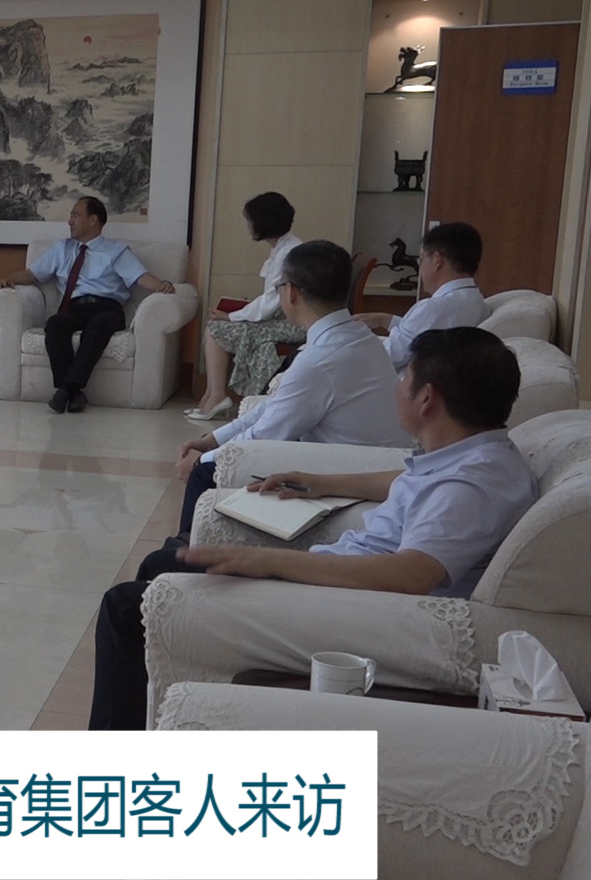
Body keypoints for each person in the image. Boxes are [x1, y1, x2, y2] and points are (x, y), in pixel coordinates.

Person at [90, 327, 536, 731]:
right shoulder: (474, 455)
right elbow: (408, 482)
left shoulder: (470, 486)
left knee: (126, 609)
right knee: (159, 565)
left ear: (427, 399)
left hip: (354, 606)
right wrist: (319, 482)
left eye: (404, 378)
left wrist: (269, 562)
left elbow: (412, 575)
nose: (397, 387)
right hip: (342, 575)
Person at [170, 240, 411, 543]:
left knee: (207, 472)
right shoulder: (356, 335)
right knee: (214, 458)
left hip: (357, 470)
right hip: (376, 461)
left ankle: (184, 551)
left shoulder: (321, 358)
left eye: (280, 286)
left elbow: (267, 434)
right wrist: (212, 440)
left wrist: (202, 460)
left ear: (292, 292)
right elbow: (276, 406)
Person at [0, 196, 177, 413]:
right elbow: (31, 274)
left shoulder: (115, 250)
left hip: (107, 308)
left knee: (99, 326)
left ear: (93, 220)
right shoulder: (62, 249)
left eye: (75, 215)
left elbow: (140, 276)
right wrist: (9, 280)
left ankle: (66, 389)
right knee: (55, 324)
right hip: (75, 308)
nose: (70, 221)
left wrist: (161, 285)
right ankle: (73, 392)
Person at [187, 192, 306, 420]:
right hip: (284, 318)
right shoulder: (283, 247)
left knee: (216, 328)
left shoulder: (288, 253)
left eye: (250, 220)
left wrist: (231, 316)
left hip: (293, 324)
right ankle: (211, 394)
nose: (249, 226)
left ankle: (216, 396)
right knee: (215, 326)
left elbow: (271, 301)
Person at [354, 222, 489, 370]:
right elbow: (424, 331)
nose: (420, 267)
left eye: (421, 259)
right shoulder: (476, 301)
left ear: (437, 261)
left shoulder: (433, 308)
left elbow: (385, 357)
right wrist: (385, 320)